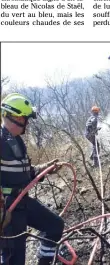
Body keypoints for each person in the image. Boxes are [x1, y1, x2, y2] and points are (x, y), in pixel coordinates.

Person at [0, 93, 64, 265]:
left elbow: (25, 172)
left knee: (54, 226)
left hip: (22, 202)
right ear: (12, 116)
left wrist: (45, 169)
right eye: (24, 118)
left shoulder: (16, 141)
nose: (26, 123)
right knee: (14, 258)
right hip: (7, 210)